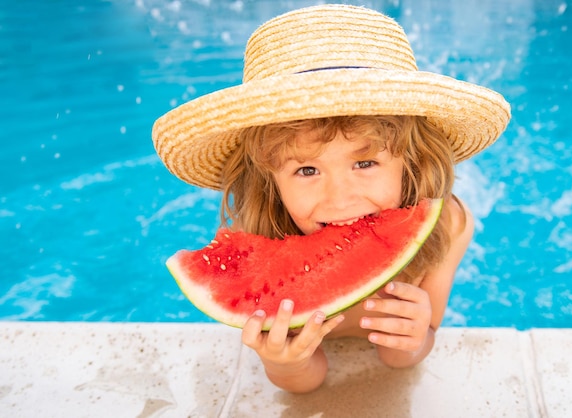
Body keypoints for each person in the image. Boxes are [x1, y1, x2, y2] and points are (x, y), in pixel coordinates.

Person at [152, 4, 510, 393]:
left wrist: (416, 336)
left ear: (412, 162)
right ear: (269, 181)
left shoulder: (449, 224)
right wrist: (285, 363)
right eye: (307, 171)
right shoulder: (258, 237)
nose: (340, 199)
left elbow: (404, 356)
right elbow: (306, 381)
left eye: (366, 162)